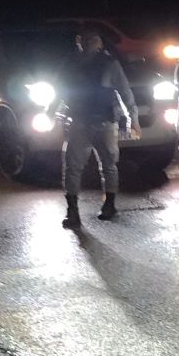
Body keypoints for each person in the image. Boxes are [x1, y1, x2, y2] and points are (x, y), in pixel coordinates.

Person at [59, 30, 140, 229]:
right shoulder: (91, 63)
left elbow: (125, 92)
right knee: (94, 166)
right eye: (89, 40)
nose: (90, 43)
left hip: (91, 123)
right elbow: (125, 92)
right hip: (91, 122)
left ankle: (90, 209)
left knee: (88, 166)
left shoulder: (81, 63)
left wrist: (133, 119)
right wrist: (134, 119)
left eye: (92, 40)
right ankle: (91, 208)